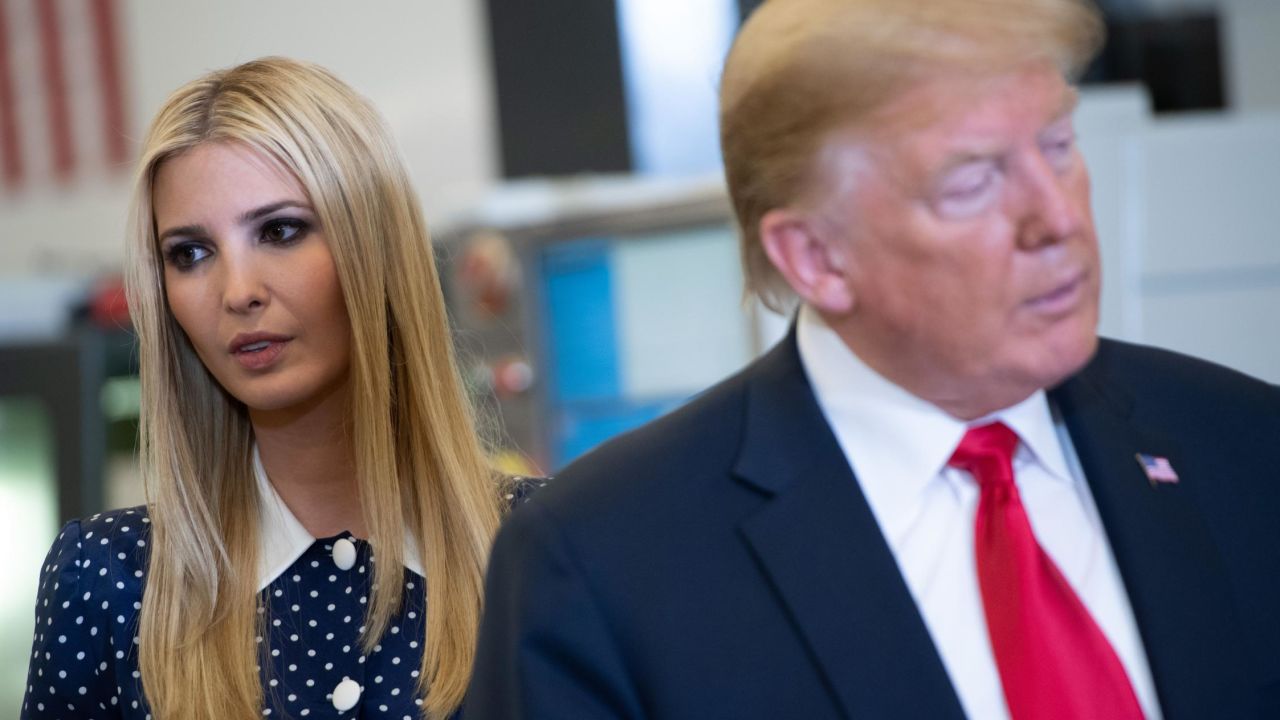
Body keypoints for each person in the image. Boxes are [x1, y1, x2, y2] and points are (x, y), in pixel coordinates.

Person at [467, 1, 1280, 718]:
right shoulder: (605, 568)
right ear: (816, 256)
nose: (1055, 216)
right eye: (972, 181)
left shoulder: (1244, 446)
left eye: (1058, 145)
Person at [20, 57, 537, 720]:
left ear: (374, 246)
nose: (237, 292)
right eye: (191, 253)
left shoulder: (542, 552)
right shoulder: (110, 580)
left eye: (281, 231)